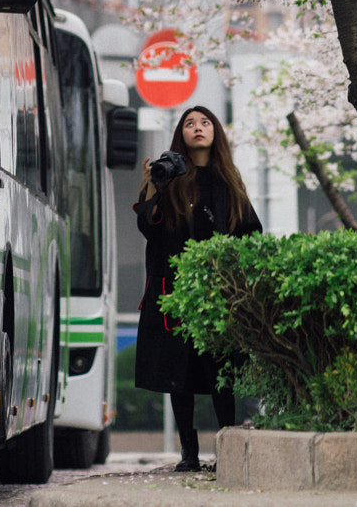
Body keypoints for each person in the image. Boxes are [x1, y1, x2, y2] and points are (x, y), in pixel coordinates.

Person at [133, 104, 262, 472]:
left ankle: (228, 447)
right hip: (173, 290)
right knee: (179, 370)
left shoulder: (228, 181)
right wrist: (157, 185)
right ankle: (189, 452)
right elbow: (149, 226)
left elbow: (251, 230)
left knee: (220, 369)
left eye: (205, 122)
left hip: (218, 292)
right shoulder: (167, 178)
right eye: (189, 123)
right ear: (181, 135)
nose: (198, 128)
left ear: (215, 132)